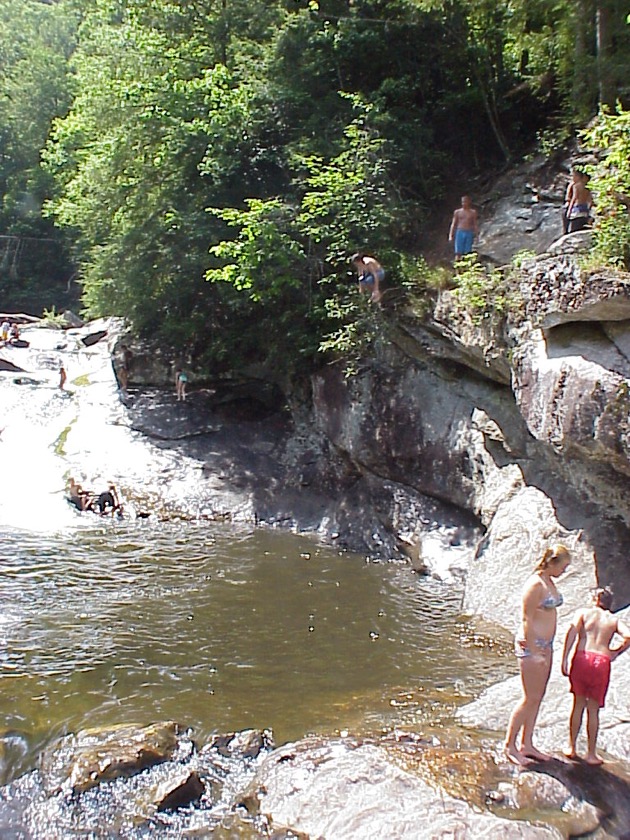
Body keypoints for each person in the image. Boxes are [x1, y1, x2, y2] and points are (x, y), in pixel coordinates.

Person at [504, 543, 572, 765]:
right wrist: (533, 651)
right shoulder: (535, 584)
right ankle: (510, 745)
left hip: (546, 646)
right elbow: (526, 618)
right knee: (529, 697)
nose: (564, 571)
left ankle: (527, 743)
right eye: (563, 566)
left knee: (538, 696)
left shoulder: (549, 581)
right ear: (552, 562)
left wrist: (546, 649)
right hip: (531, 645)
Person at [561, 586, 630, 765]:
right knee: (593, 710)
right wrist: (615, 652)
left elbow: (572, 631)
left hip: (583, 657)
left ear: (595, 599)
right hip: (601, 661)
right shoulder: (613, 620)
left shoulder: (584, 613)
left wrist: (565, 658)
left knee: (578, 705)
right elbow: (628, 636)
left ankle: (571, 747)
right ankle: (591, 753)